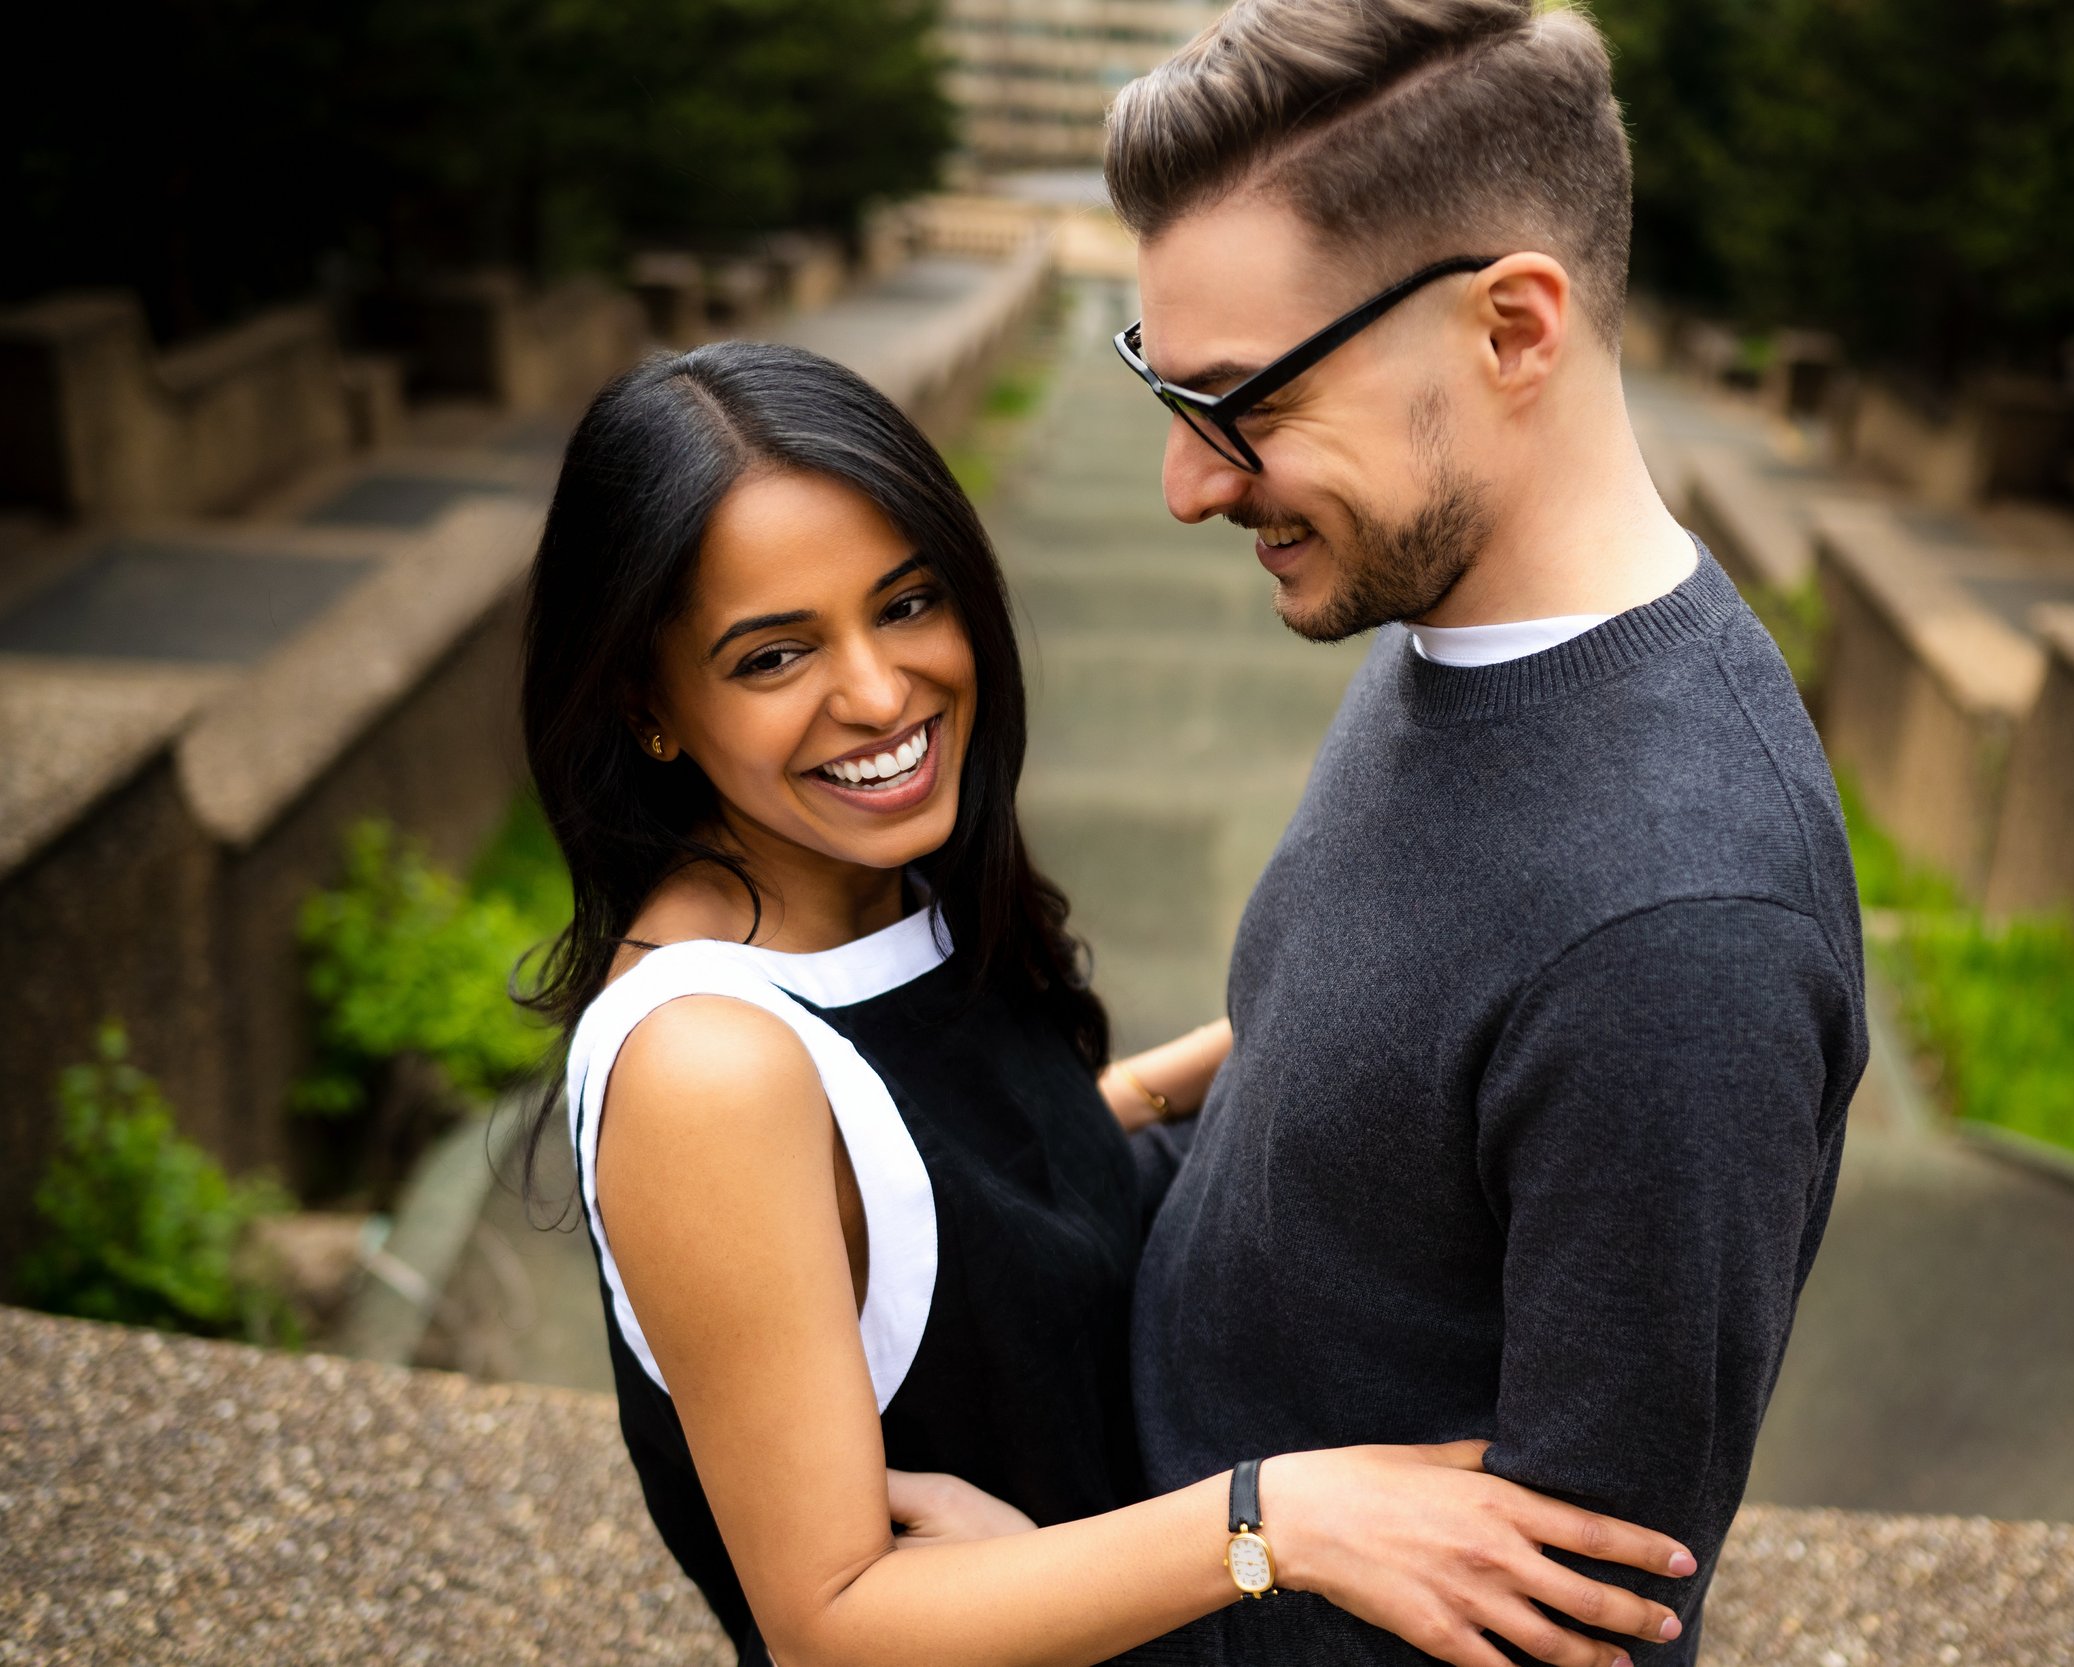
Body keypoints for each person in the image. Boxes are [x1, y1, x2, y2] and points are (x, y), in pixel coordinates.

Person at [513, 340, 1698, 1667]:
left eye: (906, 605)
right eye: (774, 656)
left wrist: (1324, 1032)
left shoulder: (875, 885)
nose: (878, 692)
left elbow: (939, 1197)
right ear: (648, 707)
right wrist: (1277, 1522)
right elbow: (831, 1625)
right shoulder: (708, 1070)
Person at [1097, 2, 1870, 1662]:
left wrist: (1103, 1584)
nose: (1185, 482)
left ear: (1514, 328)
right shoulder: (1447, 613)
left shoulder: (1682, 934)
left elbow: (1568, 1623)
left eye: (1241, 403)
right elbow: (1436, 1052)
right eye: (1164, 388)